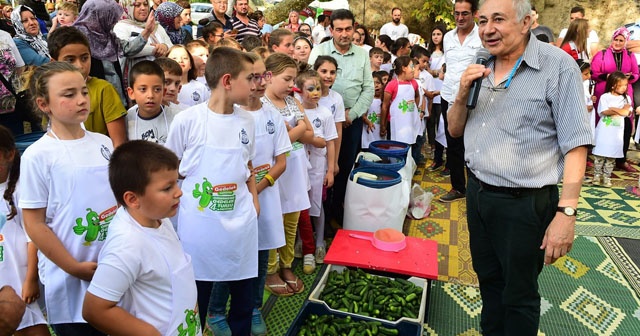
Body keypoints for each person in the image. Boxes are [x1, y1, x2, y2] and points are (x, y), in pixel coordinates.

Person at [447, 0, 591, 334]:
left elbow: (576, 145)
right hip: (479, 195)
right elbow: (455, 130)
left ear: (526, 22)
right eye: (482, 21)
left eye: (498, 19)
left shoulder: (558, 67)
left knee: (519, 294)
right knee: (489, 283)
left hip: (524, 205)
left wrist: (566, 214)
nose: (487, 29)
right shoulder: (479, 61)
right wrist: (461, 93)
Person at [19, 62, 118, 336]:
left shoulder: (104, 143)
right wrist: (73, 267)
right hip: (69, 274)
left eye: (83, 92)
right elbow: (35, 224)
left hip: (110, 264)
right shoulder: (39, 156)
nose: (81, 100)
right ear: (44, 104)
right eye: (69, 94)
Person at [165, 47, 259, 335]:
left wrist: (254, 200)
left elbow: (248, 165)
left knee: (243, 298)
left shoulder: (247, 121)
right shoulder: (188, 120)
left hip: (240, 224)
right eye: (250, 78)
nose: (255, 85)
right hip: (200, 226)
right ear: (228, 81)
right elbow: (170, 168)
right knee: (196, 297)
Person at [207, 52, 290, 336]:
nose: (257, 83)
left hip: (261, 198)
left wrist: (259, 187)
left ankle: (254, 307)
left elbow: (281, 161)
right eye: (252, 76)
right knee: (228, 255)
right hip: (230, 200)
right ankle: (216, 311)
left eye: (262, 75)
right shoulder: (231, 116)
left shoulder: (272, 116)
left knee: (259, 254)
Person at [82, 140, 199, 336]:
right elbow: (94, 309)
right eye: (167, 188)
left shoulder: (158, 218)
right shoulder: (126, 245)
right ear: (133, 199)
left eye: (176, 183)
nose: (179, 192)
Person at [308, 9, 374, 225]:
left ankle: (337, 213)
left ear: (354, 28)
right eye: (339, 29)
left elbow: (368, 90)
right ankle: (319, 216)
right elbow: (307, 84)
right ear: (331, 29)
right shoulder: (319, 51)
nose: (344, 34)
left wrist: (351, 114)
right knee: (319, 168)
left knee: (343, 167)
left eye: (348, 29)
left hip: (350, 122)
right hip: (319, 123)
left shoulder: (363, 54)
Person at [261, 53, 313, 297]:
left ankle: (286, 265)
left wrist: (294, 130)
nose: (292, 85)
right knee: (273, 220)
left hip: (295, 169)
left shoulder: (292, 101)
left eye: (294, 80)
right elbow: (273, 144)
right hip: (273, 171)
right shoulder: (260, 104)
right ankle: (270, 270)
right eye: (287, 79)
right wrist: (297, 129)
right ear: (269, 77)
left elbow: (309, 132)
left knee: (291, 221)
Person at [0, 126, 49, 336]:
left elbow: (33, 238)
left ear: (9, 154)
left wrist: (30, 279)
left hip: (22, 279)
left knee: (31, 328)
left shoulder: (22, 188)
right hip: (4, 280)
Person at [48, 26, 128, 147]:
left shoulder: (104, 90)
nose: (80, 66)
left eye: (84, 58)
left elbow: (118, 144)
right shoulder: (50, 93)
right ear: (54, 63)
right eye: (70, 60)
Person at [439, 0, 482, 203]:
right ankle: (458, 187)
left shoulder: (482, 35)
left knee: (474, 143)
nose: (460, 18)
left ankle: (478, 187)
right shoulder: (448, 37)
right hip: (448, 96)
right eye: (457, 13)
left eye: (465, 13)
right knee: (453, 144)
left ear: (474, 13)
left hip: (474, 99)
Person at [297, 69, 337, 270]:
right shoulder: (297, 113)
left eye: (318, 88)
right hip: (300, 166)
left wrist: (330, 170)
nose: (315, 92)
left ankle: (319, 241)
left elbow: (330, 142)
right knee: (300, 206)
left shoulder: (325, 113)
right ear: (299, 91)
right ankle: (300, 241)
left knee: (317, 206)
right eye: (310, 88)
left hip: (319, 168)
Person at [591, 27, 639, 173]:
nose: (617, 43)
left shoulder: (630, 55)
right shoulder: (602, 54)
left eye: (621, 40)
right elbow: (594, 72)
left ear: (625, 41)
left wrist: (628, 77)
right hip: (604, 92)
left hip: (624, 93)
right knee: (605, 125)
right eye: (616, 40)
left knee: (624, 126)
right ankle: (600, 157)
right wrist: (608, 77)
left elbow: (636, 74)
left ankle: (621, 159)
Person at [74, 0, 129, 108]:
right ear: (98, 16)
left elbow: (127, 48)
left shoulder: (107, 35)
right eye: (110, 18)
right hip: (93, 101)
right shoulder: (77, 39)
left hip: (114, 96)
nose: (113, 23)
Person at [114, 0, 171, 90]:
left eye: (145, 4)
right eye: (137, 5)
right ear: (128, 7)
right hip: (137, 80)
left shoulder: (156, 25)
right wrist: (154, 49)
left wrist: (164, 46)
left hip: (161, 78)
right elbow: (127, 49)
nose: (143, 8)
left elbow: (171, 46)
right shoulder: (121, 27)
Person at [592, 72, 632, 187]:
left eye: (626, 85)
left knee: (611, 156)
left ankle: (606, 177)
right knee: (600, 155)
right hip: (604, 131)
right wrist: (620, 110)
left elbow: (626, 112)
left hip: (617, 133)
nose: (625, 88)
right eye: (622, 85)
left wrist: (613, 109)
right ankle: (597, 175)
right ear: (613, 85)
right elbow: (604, 112)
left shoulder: (627, 99)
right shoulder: (605, 97)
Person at [126, 61, 178, 144]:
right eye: (143, 89)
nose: (150, 95)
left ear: (163, 92)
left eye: (157, 89)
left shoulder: (178, 118)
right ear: (131, 93)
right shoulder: (127, 119)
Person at [380, 56, 420, 149]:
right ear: (403, 68)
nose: (414, 69)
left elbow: (417, 96)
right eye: (411, 66)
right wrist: (383, 125)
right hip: (395, 122)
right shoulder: (392, 85)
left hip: (409, 122)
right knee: (394, 146)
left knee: (409, 146)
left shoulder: (414, 83)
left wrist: (414, 108)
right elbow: (385, 106)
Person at [362, 72, 384, 148]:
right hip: (370, 132)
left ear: (382, 85)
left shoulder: (384, 101)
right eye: (373, 83)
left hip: (380, 132)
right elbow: (363, 115)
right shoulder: (368, 100)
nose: (376, 85)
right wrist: (369, 123)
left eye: (378, 83)